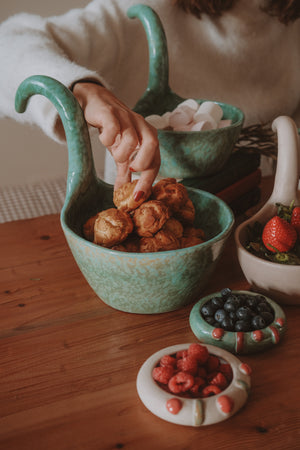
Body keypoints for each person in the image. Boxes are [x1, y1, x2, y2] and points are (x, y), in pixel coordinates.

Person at [0, 0, 299, 201]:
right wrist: (83, 88)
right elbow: (8, 43)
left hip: (248, 222)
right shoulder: (146, 8)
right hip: (147, 249)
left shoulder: (290, 27)